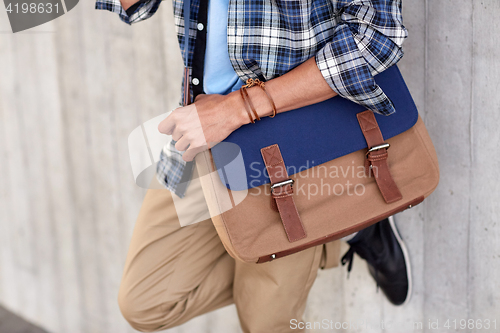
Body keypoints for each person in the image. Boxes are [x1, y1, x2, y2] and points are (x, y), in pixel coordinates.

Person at [96, 0, 411, 331]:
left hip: (287, 145)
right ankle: (342, 224)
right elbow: (134, 6)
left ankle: (335, 221)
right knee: (146, 302)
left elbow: (378, 35)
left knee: (263, 323)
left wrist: (239, 109)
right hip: (203, 132)